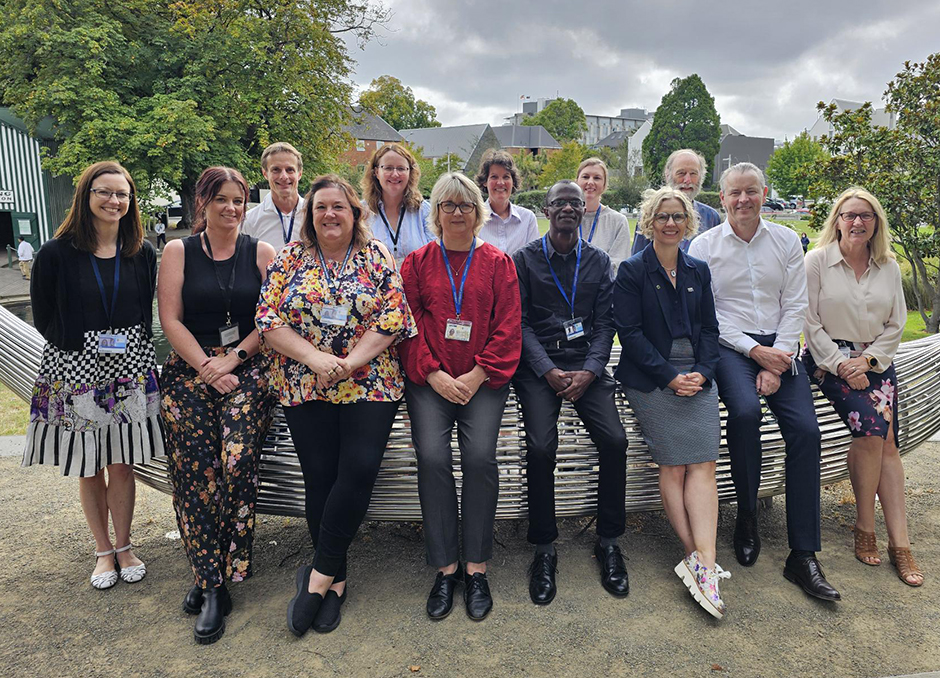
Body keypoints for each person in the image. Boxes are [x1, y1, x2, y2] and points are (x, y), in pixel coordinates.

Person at [257, 174, 416, 637]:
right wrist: (315, 358)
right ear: (310, 214)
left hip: (369, 381)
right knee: (320, 476)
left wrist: (349, 362)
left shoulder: (377, 255)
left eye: (339, 207)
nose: (329, 214)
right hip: (304, 380)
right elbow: (267, 317)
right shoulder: (290, 256)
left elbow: (394, 314)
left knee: (360, 468)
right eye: (321, 206)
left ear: (355, 213)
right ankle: (338, 581)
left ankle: (318, 574)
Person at [688, 162, 840, 602]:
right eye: (734, 193)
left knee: (806, 432)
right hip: (731, 346)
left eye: (751, 192)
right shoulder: (704, 246)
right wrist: (754, 354)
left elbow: (795, 303)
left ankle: (803, 554)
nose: (743, 200)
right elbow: (708, 315)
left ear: (764, 193)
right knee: (744, 413)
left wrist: (777, 360)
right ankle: (747, 514)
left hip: (780, 345)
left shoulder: (787, 240)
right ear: (722, 199)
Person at [22, 161, 163, 590]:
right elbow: (45, 314)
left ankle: (125, 545)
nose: (114, 201)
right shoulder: (55, 253)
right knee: (89, 464)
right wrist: (80, 351)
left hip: (130, 367)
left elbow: (144, 313)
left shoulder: (142, 251)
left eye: (122, 194)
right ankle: (103, 551)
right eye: (105, 192)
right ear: (86, 195)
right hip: (77, 367)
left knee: (122, 463)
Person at [158, 166, 277, 644]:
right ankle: (209, 583)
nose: (231, 208)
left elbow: (271, 319)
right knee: (196, 470)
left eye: (239, 200)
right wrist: (207, 366)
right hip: (190, 369)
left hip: (246, 368)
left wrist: (233, 359)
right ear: (202, 203)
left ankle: (224, 567)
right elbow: (170, 318)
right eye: (222, 199)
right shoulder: (177, 251)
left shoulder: (261, 253)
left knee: (236, 460)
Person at [399, 173, 522, 621]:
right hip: (430, 380)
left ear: (478, 212)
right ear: (436, 213)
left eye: (465, 205)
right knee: (432, 458)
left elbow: (509, 326)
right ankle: (445, 568)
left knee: (479, 460)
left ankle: (476, 567)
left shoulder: (497, 263)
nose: (456, 213)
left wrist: (475, 375)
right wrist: (433, 374)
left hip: (482, 380)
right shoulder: (415, 263)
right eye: (448, 205)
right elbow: (406, 325)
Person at [614, 186, 729, 618]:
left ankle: (704, 563)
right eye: (662, 216)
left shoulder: (698, 269)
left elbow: (711, 330)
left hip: (697, 374)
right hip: (651, 376)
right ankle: (701, 562)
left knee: (703, 464)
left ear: (688, 222)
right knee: (673, 464)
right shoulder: (631, 271)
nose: (670, 223)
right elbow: (631, 334)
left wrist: (705, 371)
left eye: (677, 216)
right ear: (649, 222)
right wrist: (670, 376)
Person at [513, 180, 629, 605]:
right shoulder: (523, 260)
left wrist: (592, 369)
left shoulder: (599, 262)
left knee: (616, 441)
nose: (567, 208)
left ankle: (609, 541)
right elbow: (519, 324)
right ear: (546, 208)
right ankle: (544, 548)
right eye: (559, 201)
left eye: (574, 203)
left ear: (585, 210)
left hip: (586, 366)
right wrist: (546, 369)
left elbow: (605, 324)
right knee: (541, 447)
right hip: (539, 369)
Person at [803, 188, 922, 587]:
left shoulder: (887, 266)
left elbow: (896, 323)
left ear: (876, 223)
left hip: (875, 361)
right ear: (836, 220)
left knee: (888, 441)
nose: (857, 222)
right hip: (827, 362)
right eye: (850, 215)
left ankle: (899, 543)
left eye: (866, 216)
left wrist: (868, 362)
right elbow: (809, 323)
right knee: (873, 429)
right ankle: (864, 526)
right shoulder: (817, 262)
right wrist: (842, 364)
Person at [632, 149, 721, 254]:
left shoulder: (711, 217)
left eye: (693, 173)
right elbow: (637, 261)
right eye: (681, 173)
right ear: (667, 175)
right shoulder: (650, 214)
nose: (687, 180)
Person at [361, 143, 433, 265]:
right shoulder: (360, 213)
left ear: (410, 172)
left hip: (418, 283)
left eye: (401, 168)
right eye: (388, 168)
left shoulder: (425, 212)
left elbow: (434, 256)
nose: (395, 174)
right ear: (376, 172)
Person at [243, 142, 306, 249]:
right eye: (276, 170)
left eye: (289, 170)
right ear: (265, 174)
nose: (283, 176)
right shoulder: (249, 221)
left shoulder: (313, 215)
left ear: (299, 173)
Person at [477, 149, 540, 255]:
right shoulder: (474, 218)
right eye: (494, 177)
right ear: (484, 182)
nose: (500, 183)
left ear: (513, 181)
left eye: (506, 177)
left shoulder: (528, 219)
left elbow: (534, 261)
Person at [575, 158, 632, 272]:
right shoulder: (566, 217)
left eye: (597, 178)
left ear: (604, 184)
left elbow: (618, 264)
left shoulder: (618, 221)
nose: (590, 182)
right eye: (585, 177)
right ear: (576, 181)